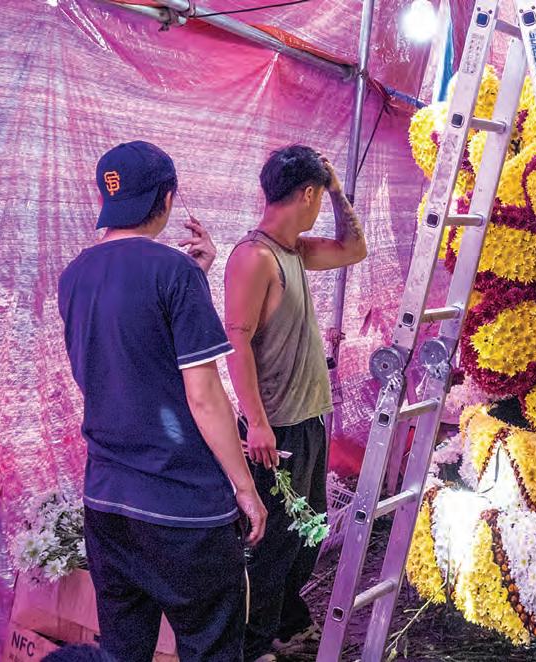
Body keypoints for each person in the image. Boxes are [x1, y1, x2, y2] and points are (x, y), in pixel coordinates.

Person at [58, 141, 267, 662]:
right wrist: (245, 488)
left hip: (108, 504)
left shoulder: (75, 275)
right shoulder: (174, 273)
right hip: (182, 508)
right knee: (210, 647)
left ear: (107, 200)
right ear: (167, 199)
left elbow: (128, 358)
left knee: (122, 651)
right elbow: (205, 396)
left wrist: (195, 277)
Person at [224, 145, 367, 661]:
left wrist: (337, 191)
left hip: (308, 422)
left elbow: (354, 249)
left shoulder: (295, 251)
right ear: (306, 194)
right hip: (276, 429)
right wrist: (257, 423)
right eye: (320, 196)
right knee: (273, 543)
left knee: (307, 535)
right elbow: (235, 341)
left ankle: (286, 622)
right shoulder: (254, 257)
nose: (320, 205)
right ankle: (253, 645)